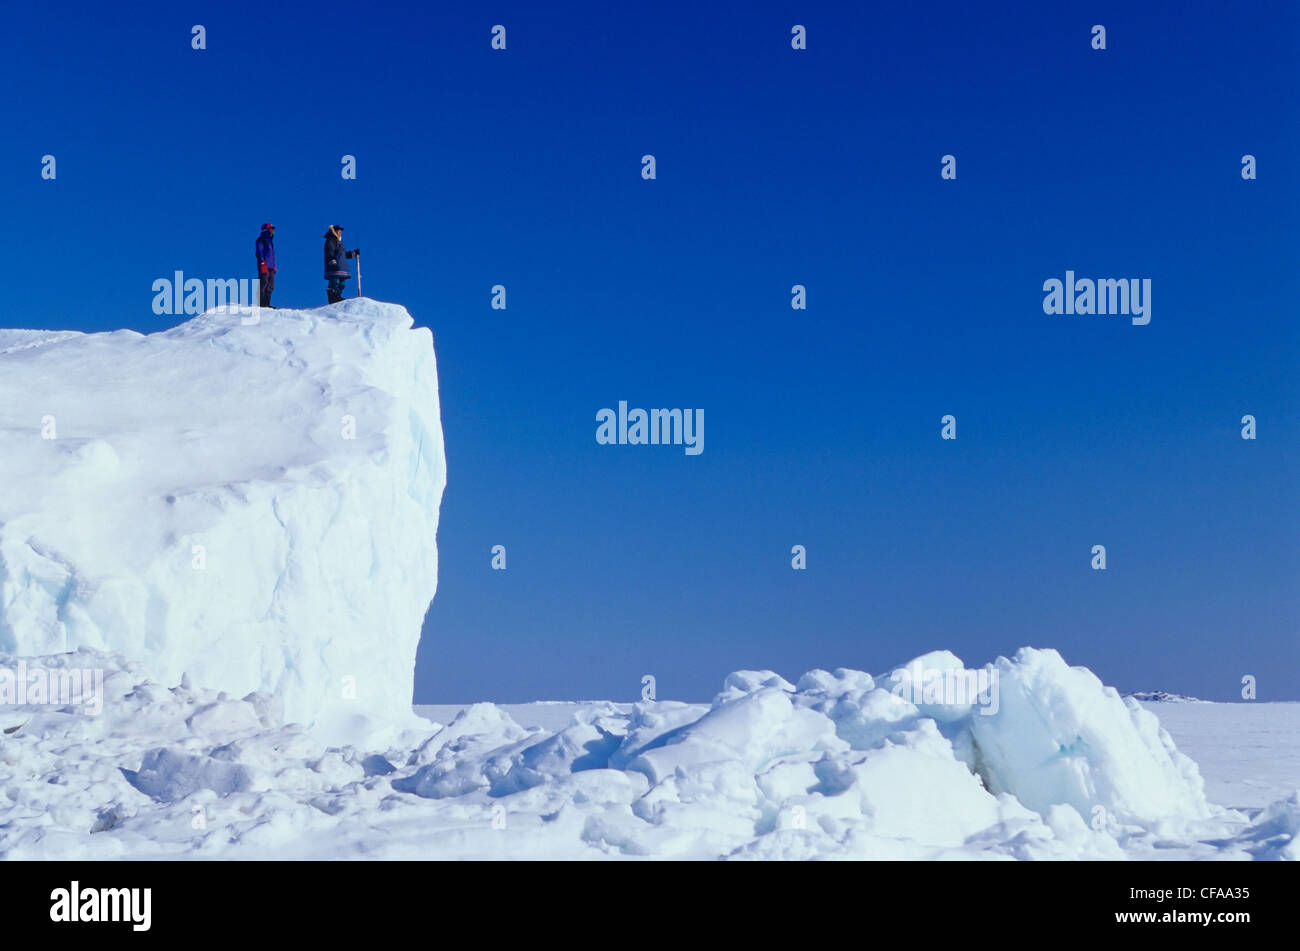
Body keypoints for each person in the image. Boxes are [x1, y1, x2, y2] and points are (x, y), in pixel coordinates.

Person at [323, 225, 350, 303]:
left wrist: (353, 253)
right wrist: (333, 263)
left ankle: (337, 296)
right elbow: (329, 252)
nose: (340, 233)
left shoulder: (339, 243)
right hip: (334, 267)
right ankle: (333, 297)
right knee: (335, 282)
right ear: (334, 231)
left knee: (342, 283)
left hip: (341, 267)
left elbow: (343, 255)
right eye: (339, 231)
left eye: (340, 231)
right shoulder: (331, 241)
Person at [255, 222, 277, 308]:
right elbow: (259, 252)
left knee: (270, 285)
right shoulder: (261, 240)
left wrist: (274, 266)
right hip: (264, 266)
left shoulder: (270, 241)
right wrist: (262, 263)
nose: (273, 231)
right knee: (263, 283)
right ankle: (261, 303)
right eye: (271, 229)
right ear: (267, 230)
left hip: (271, 266)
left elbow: (272, 255)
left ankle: (266, 303)